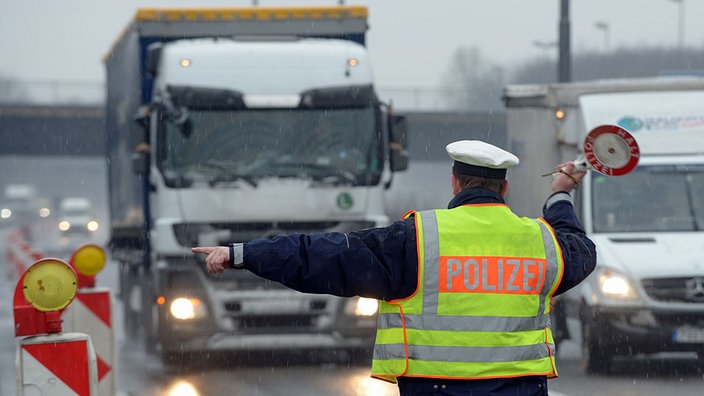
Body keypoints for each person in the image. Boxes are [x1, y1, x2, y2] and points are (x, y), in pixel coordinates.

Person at [193, 140, 597, 396]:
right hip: (519, 390)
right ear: (505, 189)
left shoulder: (418, 238)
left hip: (435, 390)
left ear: (455, 184)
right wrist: (559, 196)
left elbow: (324, 254)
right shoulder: (541, 243)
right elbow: (580, 249)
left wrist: (243, 253)